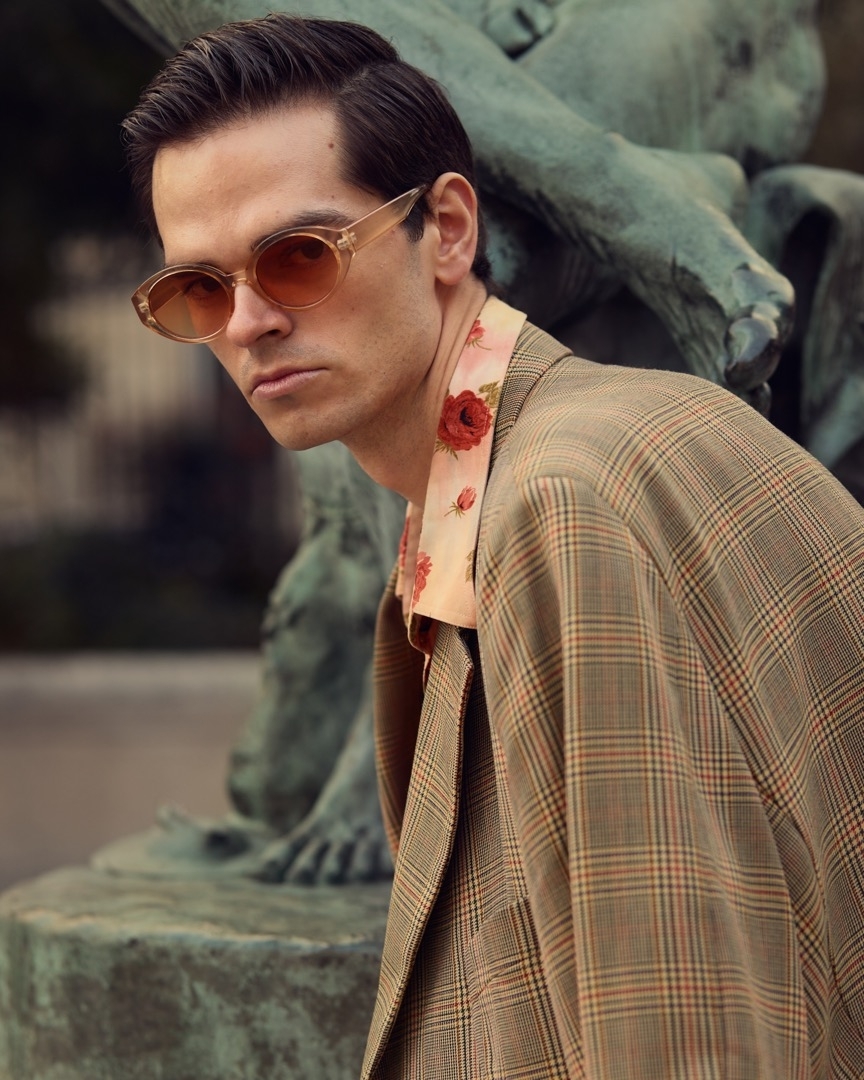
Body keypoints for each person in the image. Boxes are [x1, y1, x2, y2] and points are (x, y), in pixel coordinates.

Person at [122, 14, 864, 1078]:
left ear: (449, 230)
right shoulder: (513, 481)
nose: (246, 323)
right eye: (199, 288)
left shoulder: (562, 506)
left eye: (299, 257)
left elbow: (681, 1035)